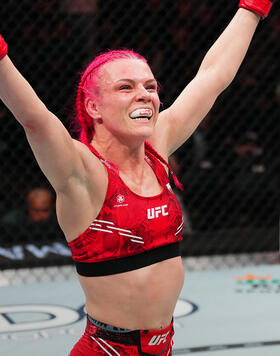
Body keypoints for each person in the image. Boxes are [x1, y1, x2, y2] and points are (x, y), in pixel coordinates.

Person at [0, 1, 276, 354]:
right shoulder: (81, 171)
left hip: (163, 345)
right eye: (125, 87)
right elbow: (34, 117)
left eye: (150, 85)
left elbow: (213, 76)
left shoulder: (157, 149)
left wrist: (253, 7)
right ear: (93, 107)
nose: (145, 94)